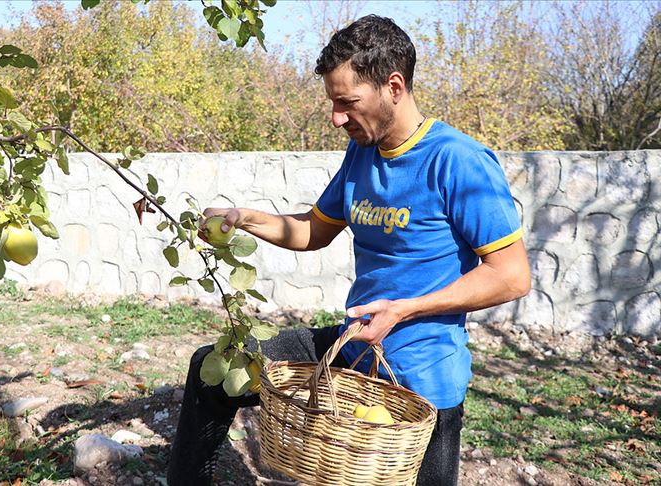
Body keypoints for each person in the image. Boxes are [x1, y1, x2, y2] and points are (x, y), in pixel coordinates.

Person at [167, 13, 531, 486]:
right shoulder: (361, 153)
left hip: (419, 386)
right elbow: (312, 232)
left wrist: (403, 311)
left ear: (393, 87)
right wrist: (245, 217)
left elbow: (511, 275)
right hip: (352, 349)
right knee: (213, 369)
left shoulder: (458, 161)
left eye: (348, 102)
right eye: (333, 103)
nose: (337, 118)